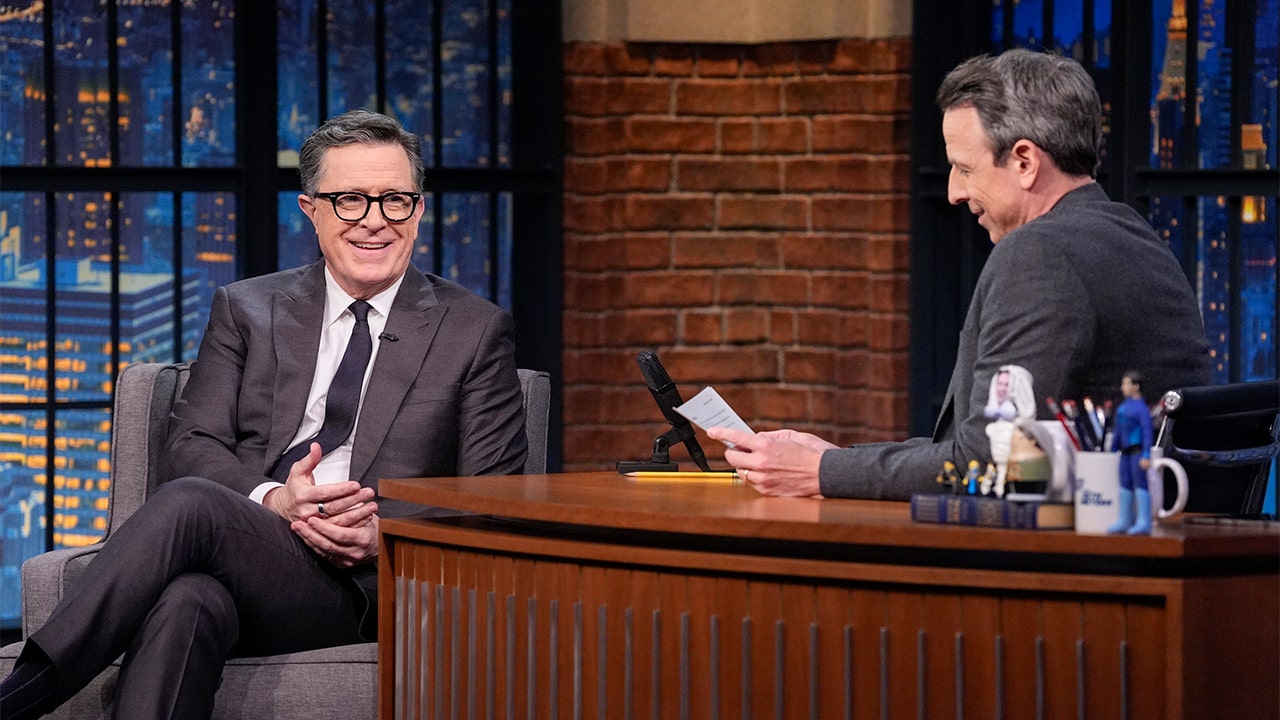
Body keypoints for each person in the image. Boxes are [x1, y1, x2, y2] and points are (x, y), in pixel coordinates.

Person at [0, 109, 528, 720]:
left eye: (395, 200)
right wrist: (275, 499)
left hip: (372, 587)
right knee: (188, 600)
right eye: (350, 200)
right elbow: (191, 445)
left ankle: (21, 696)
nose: (374, 221)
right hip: (255, 552)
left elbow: (493, 500)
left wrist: (382, 536)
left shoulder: (474, 330)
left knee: (190, 507)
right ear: (311, 210)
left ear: (418, 210)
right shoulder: (247, 308)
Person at [710, 49, 1209, 500]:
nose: (953, 192)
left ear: (1025, 161)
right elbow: (990, 449)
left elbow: (993, 463)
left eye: (965, 169)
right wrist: (832, 461)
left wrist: (821, 473)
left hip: (1067, 557)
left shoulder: (1040, 255)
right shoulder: (1135, 236)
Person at [1107, 370, 1155, 534]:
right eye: (1123, 383)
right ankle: (1124, 519)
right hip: (1125, 453)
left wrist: (1146, 454)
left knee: (1140, 483)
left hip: (1137, 452)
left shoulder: (1141, 409)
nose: (1123, 387)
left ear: (1136, 386)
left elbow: (1147, 432)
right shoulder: (1122, 408)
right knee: (1125, 483)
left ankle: (1144, 521)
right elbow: (1118, 431)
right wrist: (1113, 448)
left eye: (1127, 384)